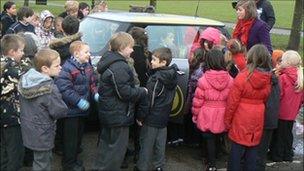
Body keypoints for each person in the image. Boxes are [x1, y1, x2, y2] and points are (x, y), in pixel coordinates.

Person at [94, 32, 147, 170]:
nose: (132, 50)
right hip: (118, 114)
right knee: (116, 150)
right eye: (130, 47)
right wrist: (142, 91)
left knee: (105, 145)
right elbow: (125, 93)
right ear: (122, 47)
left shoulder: (109, 60)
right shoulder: (120, 67)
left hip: (109, 112)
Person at [18, 48, 68, 171]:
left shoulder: (26, 80)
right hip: (43, 131)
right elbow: (59, 111)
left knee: (39, 159)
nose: (60, 67)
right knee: (43, 163)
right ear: (45, 68)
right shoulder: (49, 88)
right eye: (57, 65)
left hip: (29, 128)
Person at [224, 44, 272, 171]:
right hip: (258, 115)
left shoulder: (242, 77)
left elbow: (232, 103)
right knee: (253, 149)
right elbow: (266, 98)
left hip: (242, 116)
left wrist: (227, 122)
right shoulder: (268, 78)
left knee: (236, 152)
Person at [55, 41, 98, 171]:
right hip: (71, 111)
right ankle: (68, 164)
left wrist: (95, 93)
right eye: (86, 52)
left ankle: (74, 159)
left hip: (82, 110)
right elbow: (65, 89)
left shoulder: (87, 66)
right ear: (76, 54)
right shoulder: (68, 68)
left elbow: (92, 82)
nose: (89, 54)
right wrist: (78, 101)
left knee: (79, 137)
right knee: (70, 139)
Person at [136, 47, 178, 171]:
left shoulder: (156, 79)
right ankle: (159, 166)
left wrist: (141, 116)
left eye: (154, 60)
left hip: (151, 118)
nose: (151, 62)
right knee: (160, 144)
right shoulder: (172, 75)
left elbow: (149, 101)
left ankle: (141, 167)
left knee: (146, 144)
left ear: (163, 62)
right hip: (164, 117)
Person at [191, 49, 233, 171]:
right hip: (223, 112)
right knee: (218, 137)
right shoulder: (230, 79)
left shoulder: (203, 80)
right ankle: (216, 157)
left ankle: (211, 164)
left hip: (207, 113)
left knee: (208, 138)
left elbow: (198, 101)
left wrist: (195, 115)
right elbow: (231, 99)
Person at [270, 50, 304, 162]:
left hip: (281, 111)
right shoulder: (300, 78)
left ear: (288, 63)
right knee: (288, 133)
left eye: (282, 60)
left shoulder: (283, 78)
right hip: (292, 112)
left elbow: (278, 95)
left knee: (279, 134)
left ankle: (277, 155)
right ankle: (288, 154)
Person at [0, 34, 26, 171]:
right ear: (12, 52)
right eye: (21, 50)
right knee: (15, 152)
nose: (23, 53)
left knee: (3, 150)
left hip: (2, 116)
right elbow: (25, 86)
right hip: (12, 116)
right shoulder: (13, 68)